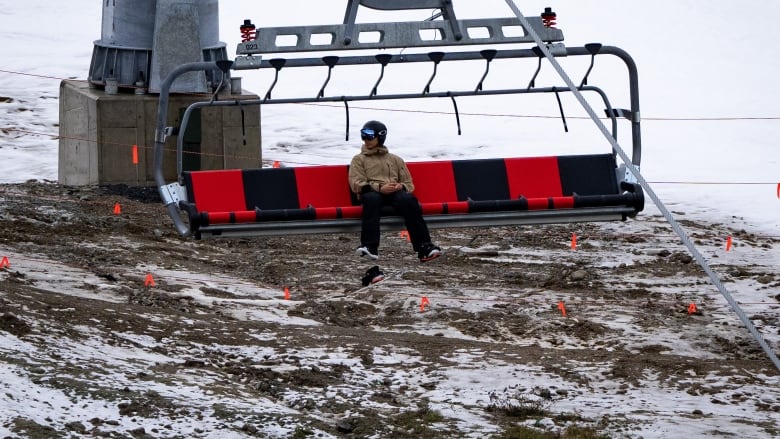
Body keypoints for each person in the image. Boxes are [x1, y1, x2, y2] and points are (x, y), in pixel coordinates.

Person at [348, 120, 442, 264]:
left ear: (380, 137)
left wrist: (400, 187)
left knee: (408, 201)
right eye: (363, 136)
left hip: (393, 194)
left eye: (369, 136)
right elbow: (356, 183)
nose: (365, 140)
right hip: (372, 193)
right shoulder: (359, 160)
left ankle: (424, 246)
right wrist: (379, 188)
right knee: (372, 200)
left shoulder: (395, 160)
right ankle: (370, 246)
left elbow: (409, 184)